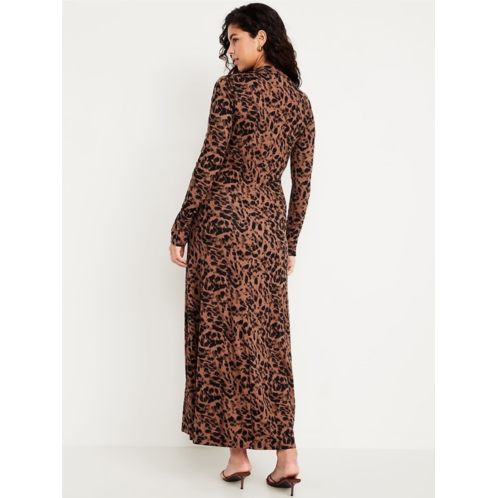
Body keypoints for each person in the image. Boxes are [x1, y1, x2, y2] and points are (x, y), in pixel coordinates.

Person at [169, 4, 315, 496]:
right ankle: (285, 455)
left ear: (260, 38)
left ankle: (238, 455)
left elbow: (211, 158)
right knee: (268, 337)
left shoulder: (230, 90)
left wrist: (181, 225)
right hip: (268, 229)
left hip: (222, 225)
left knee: (223, 335)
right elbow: (303, 183)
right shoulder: (299, 102)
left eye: (235, 39)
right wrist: (290, 241)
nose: (230, 50)